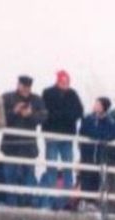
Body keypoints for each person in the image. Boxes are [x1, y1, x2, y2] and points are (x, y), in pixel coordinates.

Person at [0, 76, 47, 207]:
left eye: (28, 87)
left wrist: (30, 114)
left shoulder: (36, 99)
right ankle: (11, 204)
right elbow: (0, 118)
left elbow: (43, 118)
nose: (26, 89)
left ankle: (27, 204)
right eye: (24, 86)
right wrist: (14, 112)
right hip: (11, 145)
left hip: (28, 146)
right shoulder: (7, 97)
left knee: (29, 177)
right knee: (10, 176)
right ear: (18, 85)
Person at [40, 70, 84, 210]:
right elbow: (47, 113)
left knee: (68, 168)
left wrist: (62, 115)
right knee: (51, 168)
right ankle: (49, 201)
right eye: (63, 81)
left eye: (67, 82)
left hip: (67, 136)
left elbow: (79, 112)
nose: (65, 84)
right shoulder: (48, 93)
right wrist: (65, 115)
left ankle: (67, 202)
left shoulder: (73, 94)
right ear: (58, 81)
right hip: (52, 135)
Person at [77, 97, 115, 195]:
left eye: (98, 104)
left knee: (97, 179)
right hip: (87, 154)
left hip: (100, 155)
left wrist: (97, 136)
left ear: (104, 107)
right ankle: (84, 200)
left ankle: (93, 201)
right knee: (85, 177)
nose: (95, 106)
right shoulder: (88, 118)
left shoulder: (109, 121)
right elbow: (83, 132)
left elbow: (111, 135)